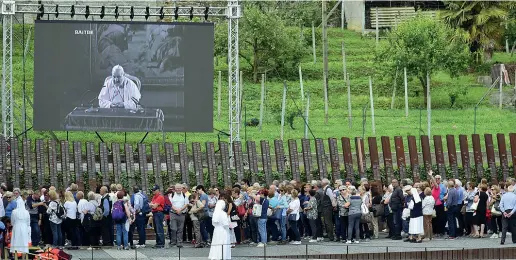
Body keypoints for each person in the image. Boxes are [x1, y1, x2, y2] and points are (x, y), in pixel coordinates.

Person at [169, 183, 188, 248]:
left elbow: (186, 204)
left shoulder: (184, 195)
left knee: (180, 229)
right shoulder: (171, 195)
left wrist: (180, 210)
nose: (178, 189)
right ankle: (173, 241)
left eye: (180, 188)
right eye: (177, 188)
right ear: (175, 189)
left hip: (182, 214)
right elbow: (170, 204)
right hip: (173, 213)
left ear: (182, 188)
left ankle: (179, 242)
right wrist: (176, 210)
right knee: (173, 228)